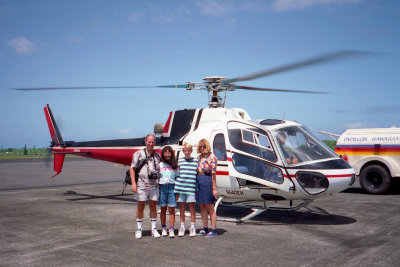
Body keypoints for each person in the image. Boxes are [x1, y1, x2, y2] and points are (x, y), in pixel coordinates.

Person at [130, 134, 161, 239]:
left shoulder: (157, 156)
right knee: (141, 206)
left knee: (153, 206)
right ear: (145, 142)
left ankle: (154, 228)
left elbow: (160, 171)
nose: (151, 144)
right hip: (142, 185)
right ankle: (139, 229)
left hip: (154, 185)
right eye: (149, 142)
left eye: (153, 142)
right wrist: (134, 183)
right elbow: (132, 169)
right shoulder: (138, 154)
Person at [174, 143, 198, 237]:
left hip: (191, 189)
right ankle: (182, 227)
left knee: (192, 208)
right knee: (182, 208)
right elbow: (176, 175)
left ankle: (192, 227)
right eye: (185, 150)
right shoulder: (179, 161)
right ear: (183, 151)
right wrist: (176, 190)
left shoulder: (195, 161)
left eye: (189, 150)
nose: (187, 152)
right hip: (181, 188)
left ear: (191, 151)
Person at [196, 139, 218, 238]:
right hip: (199, 181)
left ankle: (213, 230)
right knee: (202, 207)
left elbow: (213, 175)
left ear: (207, 146)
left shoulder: (212, 158)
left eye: (204, 146)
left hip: (207, 180)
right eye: (200, 146)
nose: (202, 148)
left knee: (210, 207)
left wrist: (214, 188)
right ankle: (205, 228)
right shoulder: (199, 157)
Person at [158, 146, 178, 238]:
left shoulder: (174, 165)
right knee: (163, 209)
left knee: (172, 209)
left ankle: (171, 228)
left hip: (172, 188)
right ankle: (163, 228)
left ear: (171, 154)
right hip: (162, 187)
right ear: (162, 154)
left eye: (169, 153)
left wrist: (177, 192)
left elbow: (178, 178)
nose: (167, 155)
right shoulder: (160, 164)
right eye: (165, 153)